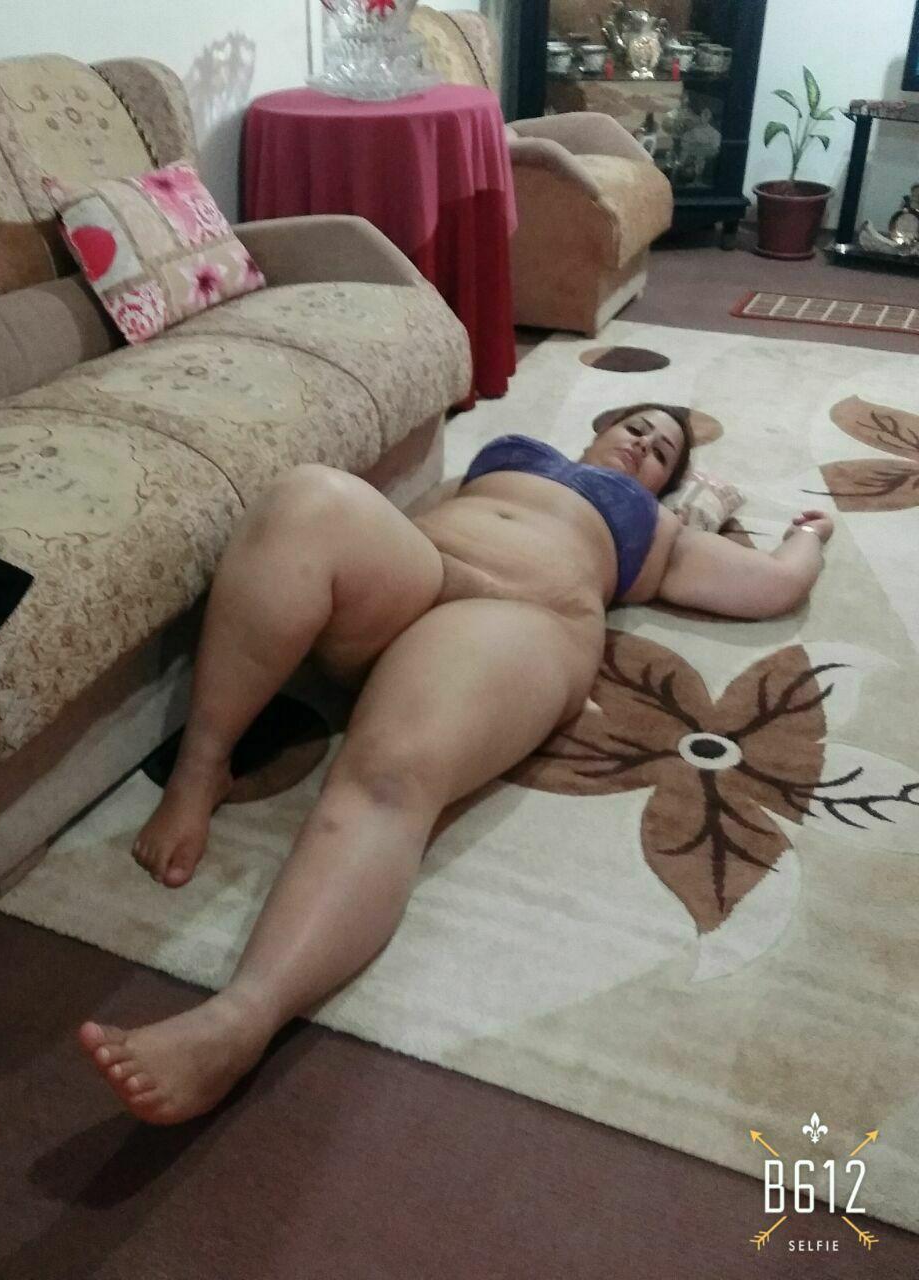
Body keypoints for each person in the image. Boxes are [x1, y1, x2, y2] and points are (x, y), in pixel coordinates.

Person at [77, 403, 834, 1125]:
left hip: (524, 615)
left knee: (392, 775)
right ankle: (203, 764)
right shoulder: (512, 458)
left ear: (666, 485)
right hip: (423, 570)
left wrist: (808, 536)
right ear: (603, 427)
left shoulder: (660, 528)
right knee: (309, 496)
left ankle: (238, 1022)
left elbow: (774, 584)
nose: (642, 444)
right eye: (636, 427)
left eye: (661, 453)